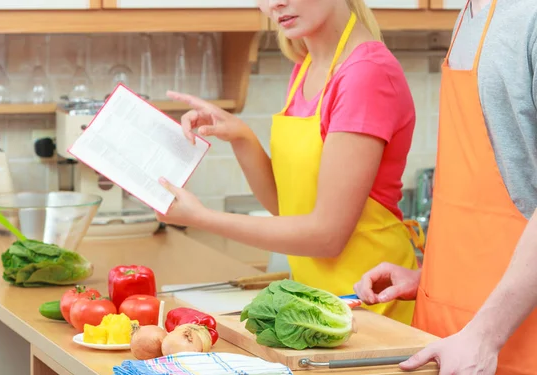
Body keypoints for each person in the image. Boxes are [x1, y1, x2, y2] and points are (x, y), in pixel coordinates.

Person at [155, 0, 425, 325]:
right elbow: (288, 208)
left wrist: (202, 217)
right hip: (322, 305)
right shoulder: (308, 67)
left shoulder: (366, 75)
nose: (274, 4)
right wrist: (241, 137)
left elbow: (326, 235)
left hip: (375, 308)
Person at [353, 0, 537, 373]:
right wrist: (432, 276)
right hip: (450, 341)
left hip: (508, 345)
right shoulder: (471, 13)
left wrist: (485, 336)